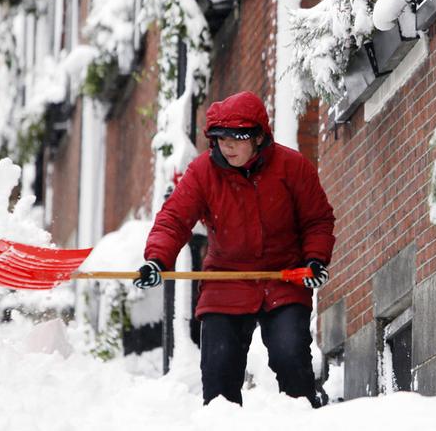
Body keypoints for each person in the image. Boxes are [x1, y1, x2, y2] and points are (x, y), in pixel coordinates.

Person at [134, 90, 336, 408]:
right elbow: (173, 219)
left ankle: (302, 416)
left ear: (258, 137)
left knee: (290, 354)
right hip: (225, 279)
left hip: (283, 277)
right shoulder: (203, 173)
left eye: (236, 138)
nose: (227, 146)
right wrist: (157, 260)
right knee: (218, 368)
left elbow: (317, 221)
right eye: (220, 138)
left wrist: (314, 259)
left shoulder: (292, 167)